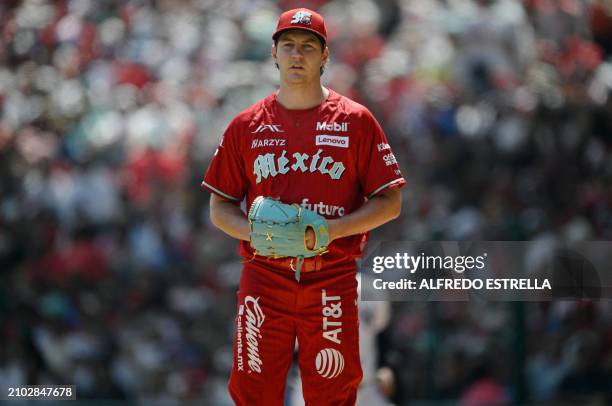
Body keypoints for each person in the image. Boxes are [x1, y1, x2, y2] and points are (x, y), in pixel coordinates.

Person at [201, 7, 405, 405]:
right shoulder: (246, 125)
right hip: (265, 277)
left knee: (333, 394)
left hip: (332, 274)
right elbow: (219, 207)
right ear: (273, 53)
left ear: (325, 55)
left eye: (309, 47)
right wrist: (260, 234)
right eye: (288, 45)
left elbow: (390, 201)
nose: (297, 55)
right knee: (252, 392)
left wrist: (331, 230)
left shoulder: (356, 121)